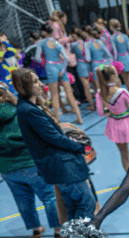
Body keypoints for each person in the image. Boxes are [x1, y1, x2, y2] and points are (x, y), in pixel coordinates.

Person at [13, 69, 95, 222]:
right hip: (61, 166)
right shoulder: (29, 110)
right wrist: (81, 147)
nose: (40, 84)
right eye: (35, 81)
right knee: (86, 202)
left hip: (56, 167)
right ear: (26, 85)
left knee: (72, 205)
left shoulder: (28, 107)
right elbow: (55, 138)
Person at [0, 82, 61, 238]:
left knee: (22, 198)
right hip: (30, 162)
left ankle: (36, 228)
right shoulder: (20, 112)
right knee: (49, 196)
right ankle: (58, 230)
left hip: (6, 167)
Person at [95, 65, 129, 173]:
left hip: (114, 125)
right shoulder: (122, 92)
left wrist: (111, 111)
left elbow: (101, 112)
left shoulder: (100, 92)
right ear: (112, 76)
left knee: (124, 156)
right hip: (127, 123)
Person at [36, 23, 83, 124]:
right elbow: (66, 58)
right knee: (69, 93)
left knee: (54, 94)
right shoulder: (57, 43)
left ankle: (57, 119)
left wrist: (45, 62)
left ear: (44, 32)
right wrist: (62, 70)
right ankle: (79, 117)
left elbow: (37, 58)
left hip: (50, 66)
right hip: (61, 66)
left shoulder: (41, 43)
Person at [109, 19, 129, 104]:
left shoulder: (113, 38)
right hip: (128, 58)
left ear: (111, 27)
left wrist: (115, 62)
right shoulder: (125, 36)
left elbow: (115, 51)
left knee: (126, 81)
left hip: (120, 59)